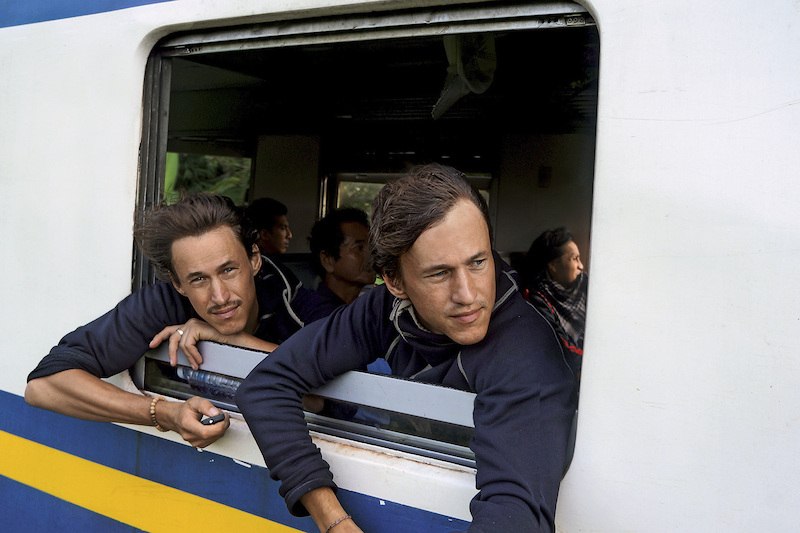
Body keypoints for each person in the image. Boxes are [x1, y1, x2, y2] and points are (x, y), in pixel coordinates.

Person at [236, 164, 577, 533]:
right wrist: (333, 520)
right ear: (395, 281)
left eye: (479, 262)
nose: (467, 295)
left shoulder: (526, 352)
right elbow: (267, 386)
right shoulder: (384, 307)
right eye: (440, 273)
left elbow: (516, 511)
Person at [24, 194, 319, 448]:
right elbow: (44, 387)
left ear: (254, 259)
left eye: (228, 270)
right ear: (177, 283)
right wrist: (165, 414)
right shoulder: (164, 303)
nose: (220, 297)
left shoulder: (294, 299)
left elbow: (321, 396)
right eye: (199, 279)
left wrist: (234, 340)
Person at [522, 227, 588, 380]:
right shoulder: (536, 298)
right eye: (574, 258)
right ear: (553, 265)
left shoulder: (585, 286)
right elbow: (562, 350)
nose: (581, 266)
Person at [308, 207, 375, 307]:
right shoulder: (318, 311)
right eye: (359, 248)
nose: (371, 254)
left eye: (372, 247)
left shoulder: (366, 305)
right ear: (328, 260)